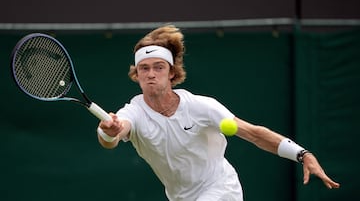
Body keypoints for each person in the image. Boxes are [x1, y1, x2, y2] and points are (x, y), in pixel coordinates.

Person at [97, 25, 340, 201]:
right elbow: (114, 137)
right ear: (137, 74)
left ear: (172, 73)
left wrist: (302, 154)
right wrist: (109, 132)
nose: (151, 74)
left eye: (158, 67)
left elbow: (253, 134)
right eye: (144, 68)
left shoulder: (202, 107)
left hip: (222, 189)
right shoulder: (133, 111)